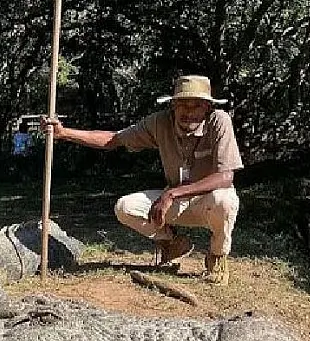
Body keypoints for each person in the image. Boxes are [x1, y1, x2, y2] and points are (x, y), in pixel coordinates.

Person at [43, 75, 243, 285]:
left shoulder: (219, 120)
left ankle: (217, 257)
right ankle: (171, 243)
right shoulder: (159, 122)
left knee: (225, 200)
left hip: (206, 201)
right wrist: (63, 133)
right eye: (182, 104)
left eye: (197, 105)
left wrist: (172, 193)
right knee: (125, 207)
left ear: (208, 107)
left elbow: (225, 177)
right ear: (173, 105)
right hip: (174, 202)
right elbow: (114, 139)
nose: (189, 112)